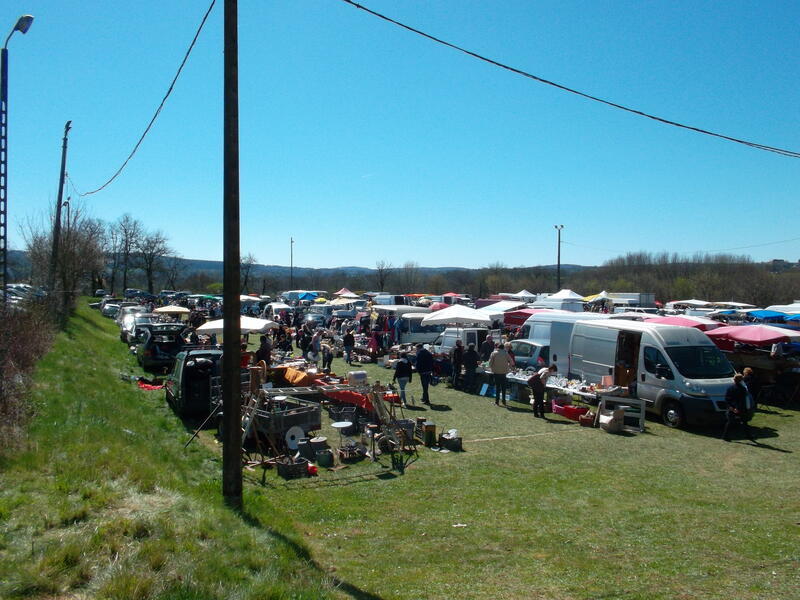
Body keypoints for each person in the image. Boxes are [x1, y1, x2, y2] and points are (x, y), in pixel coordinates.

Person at [722, 373, 755, 442]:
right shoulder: (743, 389)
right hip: (740, 408)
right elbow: (741, 400)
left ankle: (725, 436)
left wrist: (731, 407)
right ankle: (748, 435)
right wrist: (737, 408)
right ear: (741, 380)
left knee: (730, 422)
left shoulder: (730, 388)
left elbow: (727, 399)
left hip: (731, 408)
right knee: (744, 422)